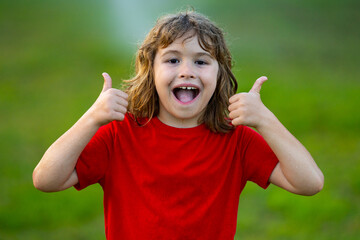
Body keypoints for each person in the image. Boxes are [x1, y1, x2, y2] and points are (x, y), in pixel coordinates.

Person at [33, 10, 324, 240]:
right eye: (172, 60)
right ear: (150, 71)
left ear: (220, 74)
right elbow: (46, 180)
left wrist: (265, 120)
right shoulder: (120, 133)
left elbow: (310, 183)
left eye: (201, 62)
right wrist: (92, 118)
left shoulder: (236, 138)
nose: (186, 72)